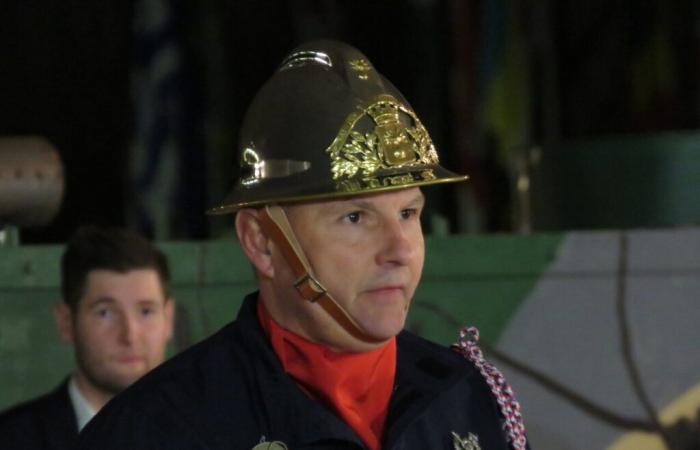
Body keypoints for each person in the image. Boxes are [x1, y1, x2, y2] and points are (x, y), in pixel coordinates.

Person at [77, 40, 530, 450]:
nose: (401, 250)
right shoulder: (156, 430)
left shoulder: (469, 400)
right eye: (355, 218)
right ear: (261, 242)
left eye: (408, 214)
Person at [0, 226, 175, 449]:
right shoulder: (11, 439)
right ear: (66, 322)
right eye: (105, 313)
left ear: (168, 319)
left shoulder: (210, 431)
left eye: (146, 311)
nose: (130, 335)